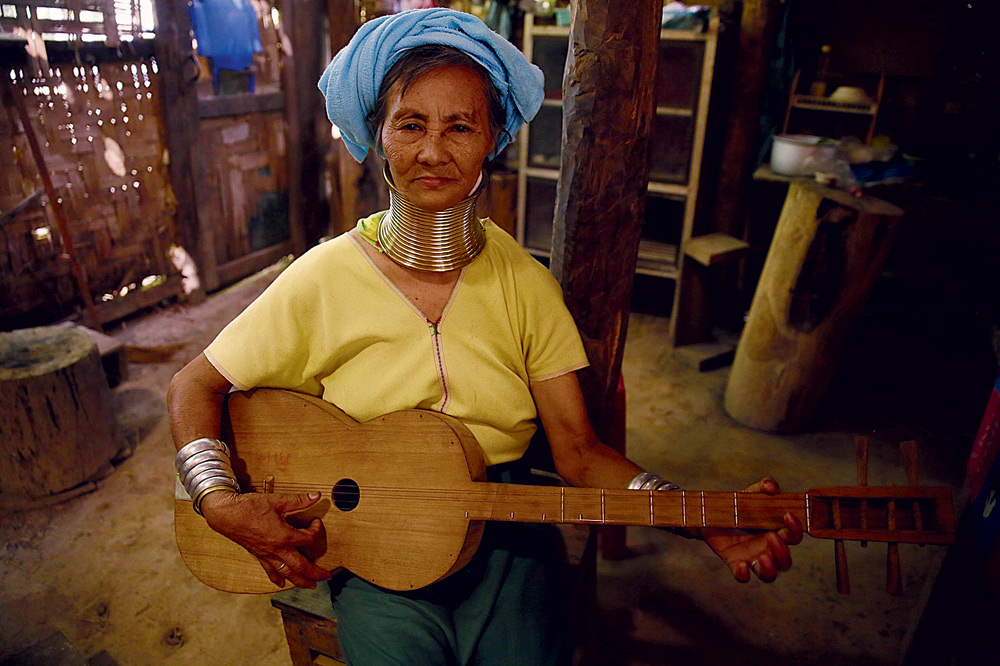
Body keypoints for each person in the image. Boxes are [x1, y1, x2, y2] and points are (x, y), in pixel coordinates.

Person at [168, 8, 802, 666]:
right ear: (378, 133)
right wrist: (217, 500)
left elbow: (579, 454)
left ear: (493, 137)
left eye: (461, 126)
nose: (433, 152)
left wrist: (697, 516)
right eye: (410, 124)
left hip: (507, 533)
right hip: (371, 539)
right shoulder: (322, 278)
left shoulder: (526, 286)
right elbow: (193, 385)